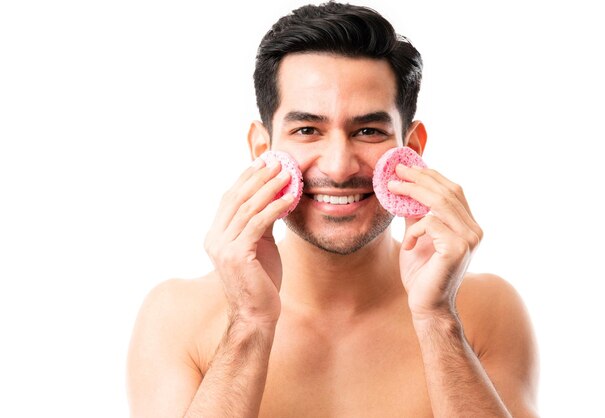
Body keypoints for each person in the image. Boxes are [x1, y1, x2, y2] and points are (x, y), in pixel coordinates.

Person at [127, 2, 539, 417]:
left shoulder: (488, 310)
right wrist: (249, 322)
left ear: (410, 149)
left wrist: (437, 321)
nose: (339, 165)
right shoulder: (176, 317)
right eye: (307, 130)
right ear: (260, 149)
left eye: (368, 131)